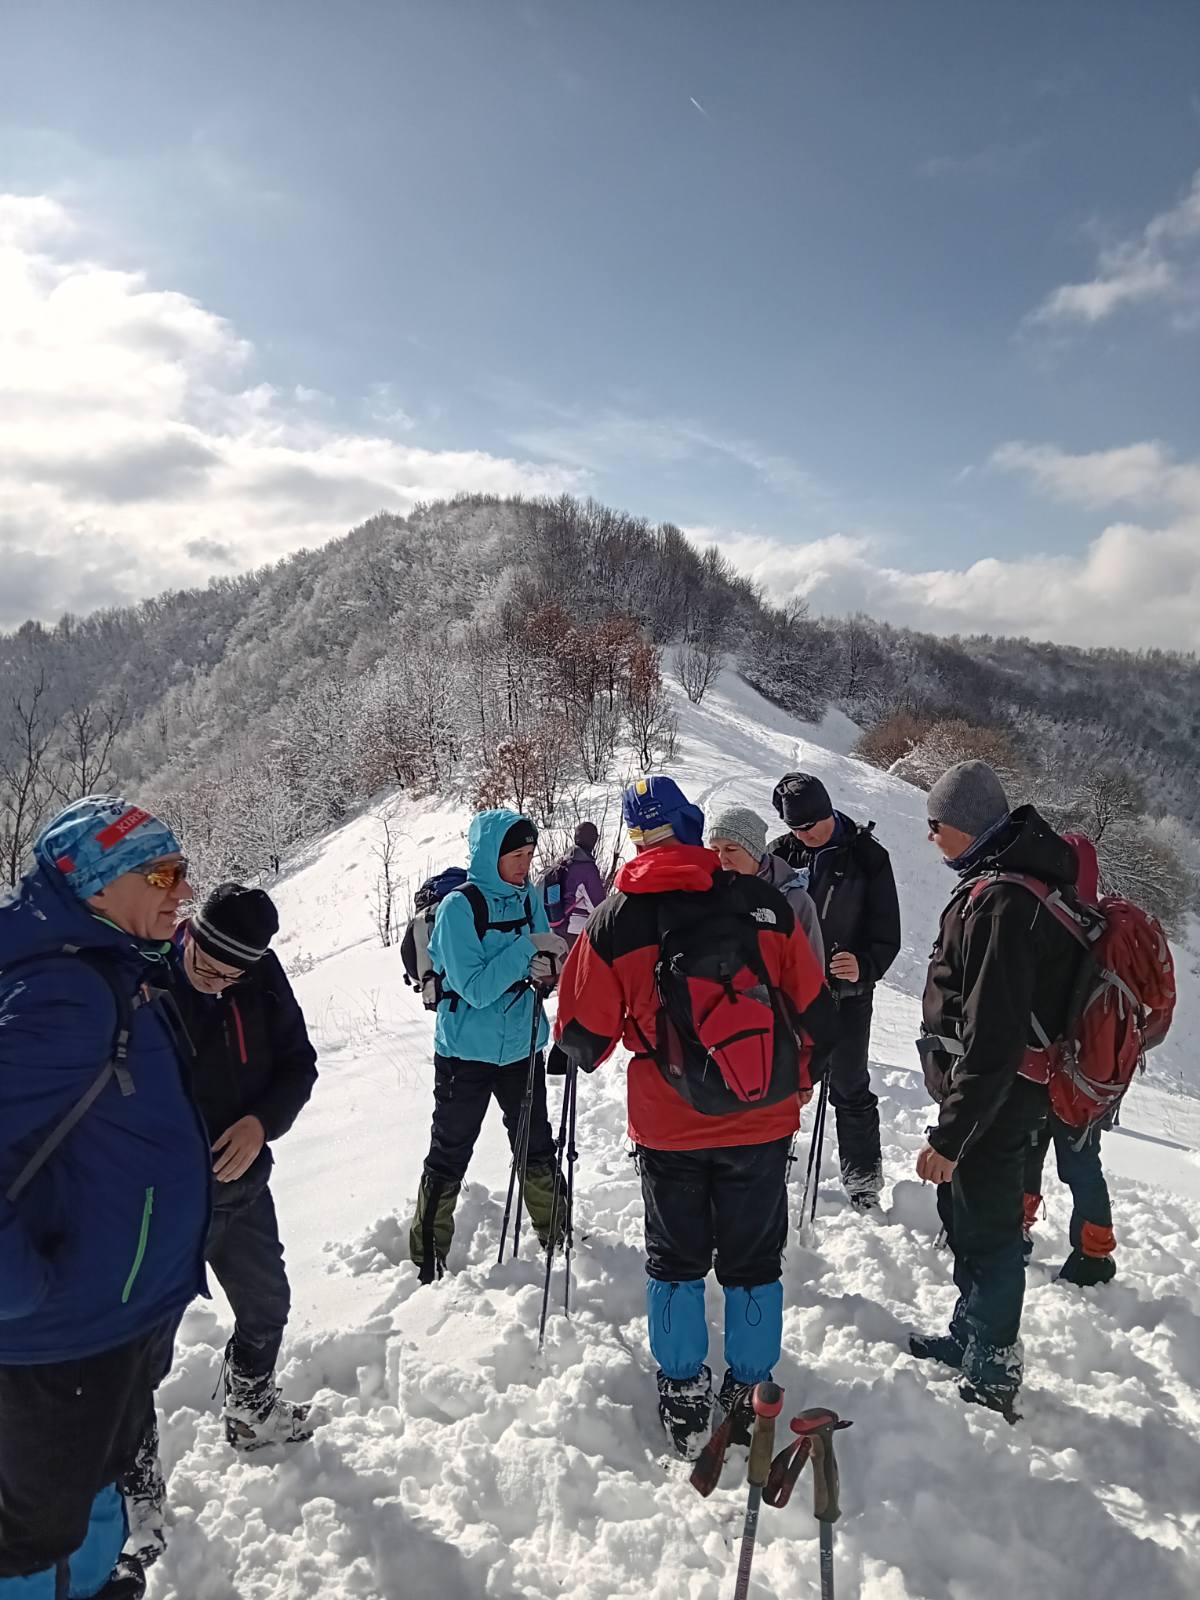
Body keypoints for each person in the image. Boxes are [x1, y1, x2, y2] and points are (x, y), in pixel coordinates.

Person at [551, 776, 838, 1459]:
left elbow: (583, 1040)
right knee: (754, 1259)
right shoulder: (763, 904)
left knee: (675, 1260)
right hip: (761, 1119)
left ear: (636, 839)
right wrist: (793, 1082)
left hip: (669, 1126)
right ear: (691, 824)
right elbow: (818, 1015)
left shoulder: (616, 919)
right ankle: (750, 1387)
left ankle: (682, 1390)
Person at [0, 797, 210, 1600]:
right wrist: (17, 1289)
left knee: (90, 1498)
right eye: (160, 874)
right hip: (60, 1338)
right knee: (34, 1542)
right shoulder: (67, 994)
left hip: (106, 1318)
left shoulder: (113, 970)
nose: (181, 890)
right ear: (94, 884)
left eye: (181, 870)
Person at [911, 760, 1083, 1421]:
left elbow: (995, 1036)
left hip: (998, 1099)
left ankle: (993, 1368)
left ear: (965, 823)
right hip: (996, 1095)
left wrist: (952, 1135)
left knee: (988, 1232)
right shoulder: (1004, 885)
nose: (930, 836)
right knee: (971, 1221)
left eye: (936, 824)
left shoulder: (1004, 903)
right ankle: (972, 1334)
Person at [408, 810, 569, 1283]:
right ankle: (428, 1256)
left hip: (522, 1046)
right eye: (515, 855)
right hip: (465, 1054)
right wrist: (527, 952)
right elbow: (475, 989)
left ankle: (558, 1237)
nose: (524, 864)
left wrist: (549, 971)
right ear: (489, 855)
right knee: (450, 1151)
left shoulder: (528, 896)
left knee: (536, 1145)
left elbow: (544, 959)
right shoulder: (459, 908)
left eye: (529, 854)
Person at [769, 773, 900, 1211]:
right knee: (783, 1077)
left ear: (828, 811)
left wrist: (864, 963)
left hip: (848, 992)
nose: (804, 835)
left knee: (848, 1083)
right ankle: (771, 1157)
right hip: (790, 991)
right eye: (795, 828)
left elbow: (887, 931)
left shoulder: (868, 856)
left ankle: (862, 1178)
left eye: (811, 826)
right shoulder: (780, 854)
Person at [1020, 834, 1117, 1287]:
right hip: (1089, 1079)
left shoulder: (1051, 918)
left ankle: (1015, 1231)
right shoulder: (1106, 931)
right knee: (1082, 1165)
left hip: (1043, 1068)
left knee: (1027, 1153)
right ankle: (1094, 1255)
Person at [707, 805, 825, 969]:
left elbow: (812, 970)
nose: (722, 858)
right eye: (714, 850)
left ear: (754, 852)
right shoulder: (708, 894)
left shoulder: (794, 900)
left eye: (731, 849)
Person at [546, 821, 608, 949]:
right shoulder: (587, 869)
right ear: (594, 840)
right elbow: (598, 907)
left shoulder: (564, 860)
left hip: (558, 926)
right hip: (576, 931)